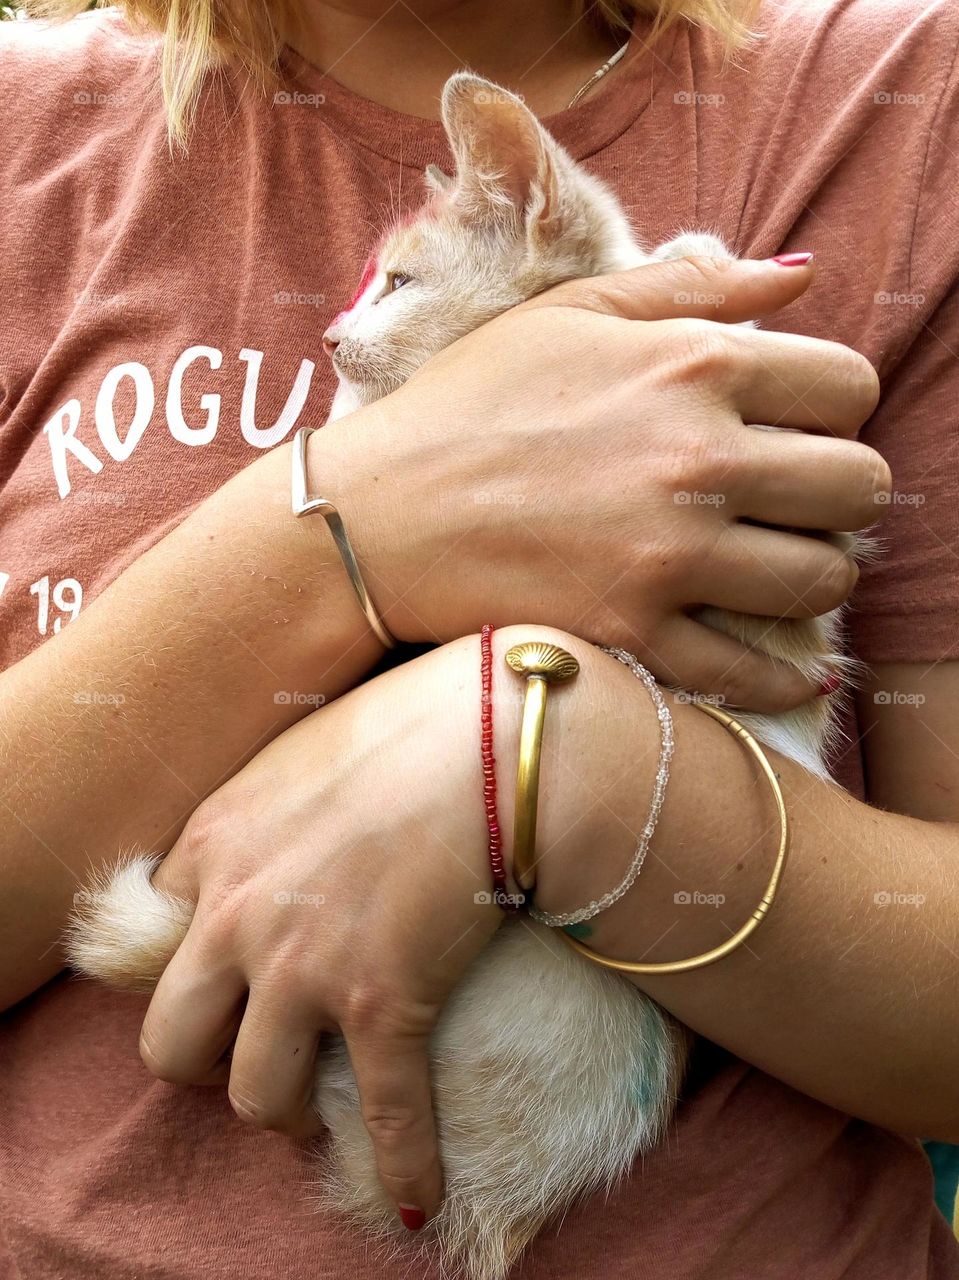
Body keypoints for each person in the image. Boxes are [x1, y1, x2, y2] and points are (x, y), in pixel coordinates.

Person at [0, 0, 957, 1276]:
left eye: (385, 288)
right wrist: (348, 533)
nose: (338, 329)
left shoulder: (893, 94)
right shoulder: (27, 128)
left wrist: (562, 761)